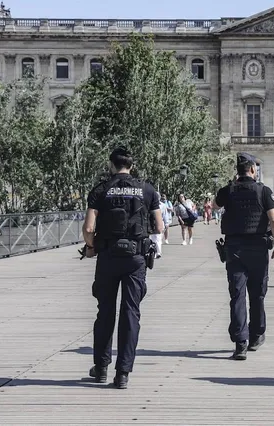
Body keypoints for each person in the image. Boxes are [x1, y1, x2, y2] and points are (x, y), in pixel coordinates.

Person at [82, 147, 163, 389]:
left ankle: (101, 368)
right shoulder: (147, 189)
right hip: (136, 258)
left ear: (111, 165)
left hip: (107, 256)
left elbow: (88, 229)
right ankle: (123, 373)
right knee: (131, 313)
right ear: (132, 164)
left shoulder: (101, 189)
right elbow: (159, 226)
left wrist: (91, 247)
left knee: (105, 312)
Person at [213, 152, 274, 360]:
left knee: (237, 295)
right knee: (257, 294)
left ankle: (240, 342)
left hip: (234, 249)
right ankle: (256, 335)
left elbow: (215, 206)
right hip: (258, 249)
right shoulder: (263, 191)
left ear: (238, 170)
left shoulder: (228, 190)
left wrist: (227, 189)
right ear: (253, 169)